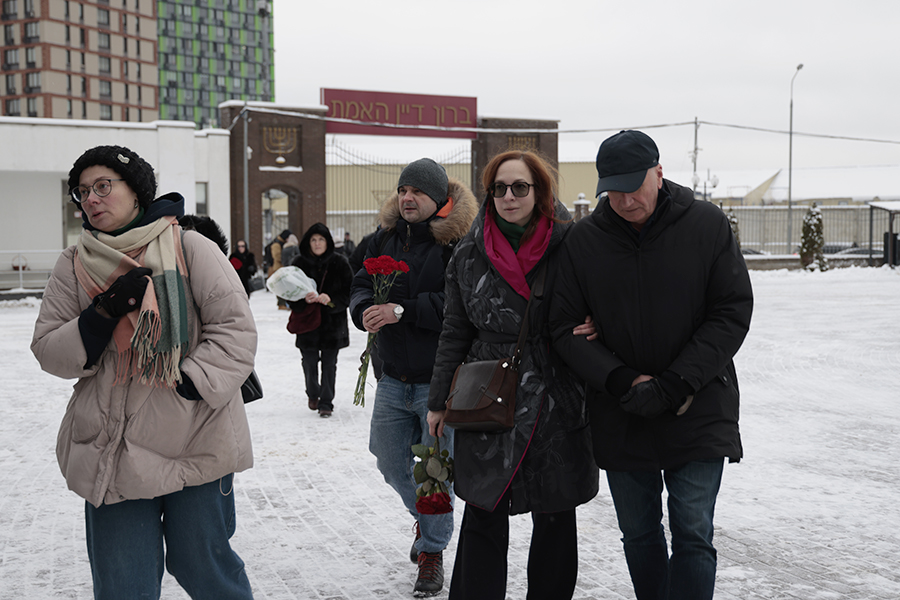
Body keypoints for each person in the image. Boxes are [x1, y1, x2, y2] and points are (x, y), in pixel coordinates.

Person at [31, 145, 256, 599]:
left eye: (102, 186)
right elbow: (48, 349)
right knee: (123, 584)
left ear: (136, 192)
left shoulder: (190, 246)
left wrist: (191, 381)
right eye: (82, 192)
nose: (91, 199)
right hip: (110, 446)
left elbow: (234, 328)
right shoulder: (73, 264)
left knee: (205, 568)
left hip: (194, 435)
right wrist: (100, 316)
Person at [549, 130, 754, 600]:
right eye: (612, 189)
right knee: (640, 534)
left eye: (633, 184)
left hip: (697, 404)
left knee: (692, 532)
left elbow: (731, 311)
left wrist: (677, 382)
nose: (624, 199)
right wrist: (621, 379)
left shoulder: (706, 225)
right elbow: (561, 327)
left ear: (659, 173)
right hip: (621, 409)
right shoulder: (584, 241)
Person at [427, 150, 600, 600]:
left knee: (556, 513)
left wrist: (601, 323)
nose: (508, 196)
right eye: (499, 188)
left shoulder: (572, 243)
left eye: (519, 187)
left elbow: (606, 299)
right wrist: (437, 399)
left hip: (556, 391)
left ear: (538, 190)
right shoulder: (469, 250)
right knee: (484, 510)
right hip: (488, 390)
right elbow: (454, 329)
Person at [350, 158, 477, 596]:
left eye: (418, 192)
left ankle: (432, 552)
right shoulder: (383, 238)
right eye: (403, 189)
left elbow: (458, 307)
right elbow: (360, 282)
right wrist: (362, 309)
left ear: (439, 199)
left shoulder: (457, 243)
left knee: (434, 473)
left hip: (437, 381)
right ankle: (429, 522)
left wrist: (401, 309)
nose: (407, 198)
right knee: (386, 457)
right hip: (392, 376)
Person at [287, 222, 352, 418]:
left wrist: (331, 299)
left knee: (329, 364)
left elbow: (350, 291)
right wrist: (302, 300)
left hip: (332, 324)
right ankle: (313, 393)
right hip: (308, 323)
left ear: (328, 242)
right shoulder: (298, 263)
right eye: (313, 240)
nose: (317, 243)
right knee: (309, 361)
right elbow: (288, 294)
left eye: (321, 239)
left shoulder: (340, 262)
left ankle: (326, 402)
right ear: (308, 242)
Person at [267, 229, 292, 310]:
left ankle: (284, 303)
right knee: (281, 286)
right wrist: (285, 259)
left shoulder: (281, 243)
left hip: (282, 268)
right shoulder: (277, 244)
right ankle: (281, 304)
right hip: (278, 268)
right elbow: (277, 257)